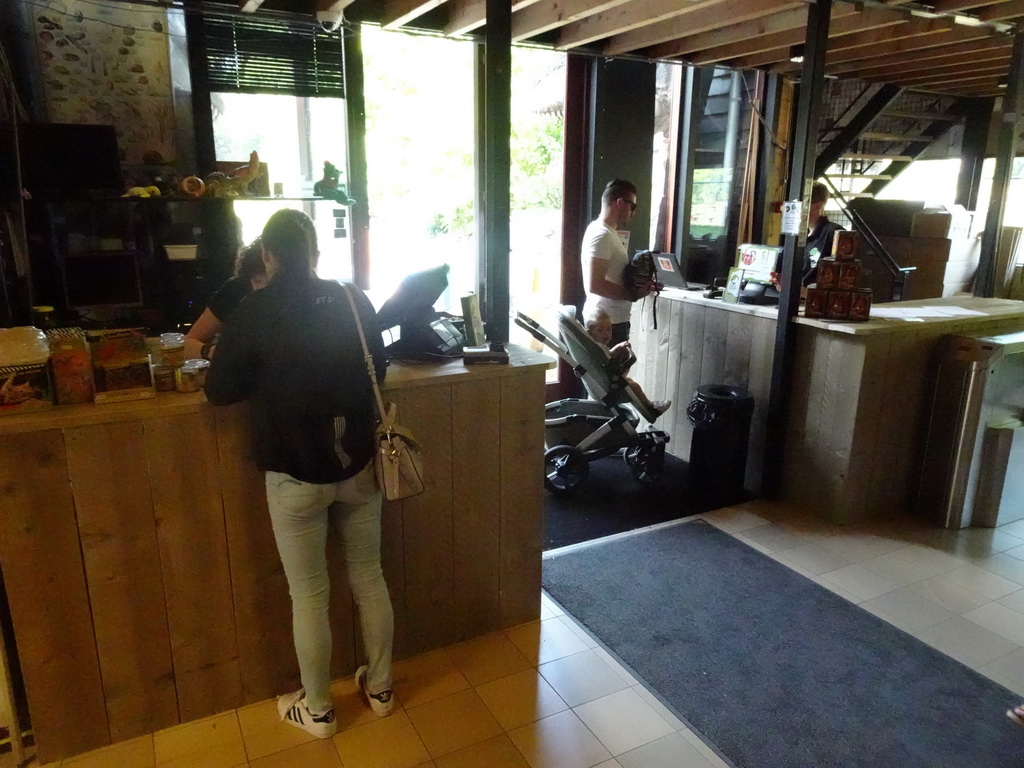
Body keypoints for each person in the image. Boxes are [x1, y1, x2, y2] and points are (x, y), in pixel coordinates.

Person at [204, 209, 394, 738]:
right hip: (357, 464)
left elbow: (218, 390)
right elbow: (378, 368)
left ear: (268, 255)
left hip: (293, 474)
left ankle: (319, 711)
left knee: (309, 595)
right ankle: (379, 689)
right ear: (313, 254)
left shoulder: (254, 309)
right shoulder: (352, 299)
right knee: (369, 577)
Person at [581, 179, 658, 347]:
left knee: (616, 373)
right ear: (620, 203)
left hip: (608, 321)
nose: (633, 213)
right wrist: (632, 294)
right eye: (633, 207)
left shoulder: (602, 231)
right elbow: (595, 284)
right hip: (607, 325)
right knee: (613, 373)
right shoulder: (603, 234)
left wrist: (639, 288)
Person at [183, 238, 269, 360]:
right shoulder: (236, 290)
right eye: (257, 281)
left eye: (270, 282)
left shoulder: (298, 300)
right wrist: (214, 352)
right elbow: (189, 343)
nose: (262, 288)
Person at [585, 309, 670, 417]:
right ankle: (651, 408)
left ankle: (650, 406)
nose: (606, 334)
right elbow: (607, 357)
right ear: (589, 332)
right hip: (606, 384)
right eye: (600, 330)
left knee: (629, 381)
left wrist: (619, 347)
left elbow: (608, 355)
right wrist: (619, 348)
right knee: (634, 386)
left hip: (604, 380)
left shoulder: (596, 346)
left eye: (609, 329)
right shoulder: (597, 348)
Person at [801, 181, 844, 287]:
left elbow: (841, 279)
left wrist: (805, 293)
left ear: (818, 207)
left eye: (801, 205)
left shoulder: (834, 233)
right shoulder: (799, 235)